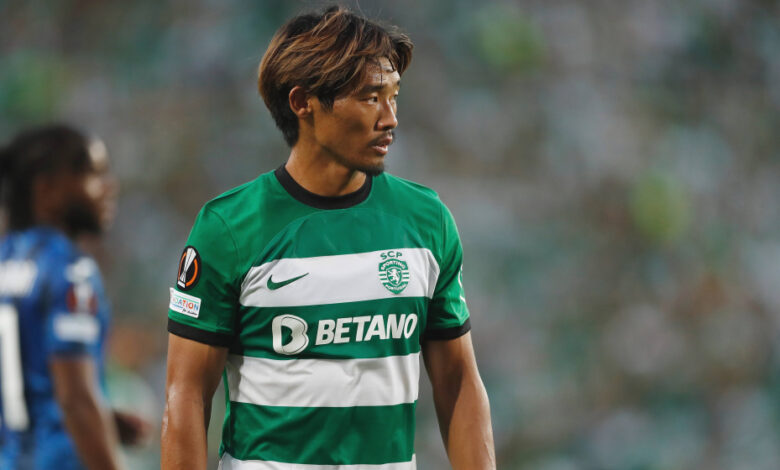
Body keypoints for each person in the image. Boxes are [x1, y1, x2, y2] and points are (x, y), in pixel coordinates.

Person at [162, 5, 495, 470]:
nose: (390, 118)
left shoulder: (427, 221)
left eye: (394, 96)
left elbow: (458, 384)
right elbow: (186, 397)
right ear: (303, 102)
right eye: (371, 97)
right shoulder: (228, 228)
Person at [0, 124, 145, 470]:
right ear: (46, 189)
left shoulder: (5, 259)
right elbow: (76, 401)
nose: (109, 186)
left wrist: (105, 421)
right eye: (92, 174)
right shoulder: (69, 269)